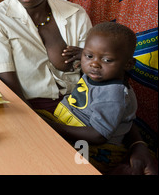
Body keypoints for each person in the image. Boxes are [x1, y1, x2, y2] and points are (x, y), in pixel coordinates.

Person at [0, 0, 157, 175]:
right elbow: (10, 90)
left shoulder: (75, 14)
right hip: (35, 114)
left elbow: (109, 84)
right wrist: (43, 129)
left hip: (88, 116)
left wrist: (137, 143)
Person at [46, 22, 140, 173]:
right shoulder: (97, 74)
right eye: (89, 56)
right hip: (71, 126)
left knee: (63, 164)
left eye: (107, 60)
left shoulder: (113, 94)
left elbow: (98, 135)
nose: (94, 64)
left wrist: (54, 127)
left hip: (95, 148)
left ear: (128, 64)